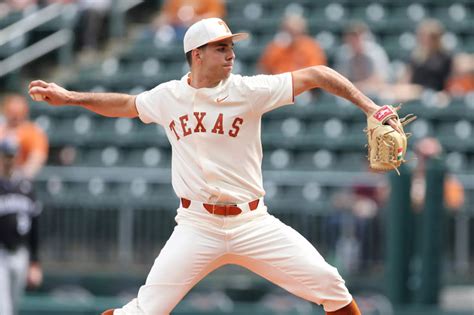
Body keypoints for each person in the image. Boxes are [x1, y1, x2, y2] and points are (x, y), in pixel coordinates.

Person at [29, 17, 401, 315]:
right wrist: (71, 97)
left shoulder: (248, 90)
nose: (230, 54)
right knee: (144, 311)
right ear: (197, 54)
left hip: (252, 222)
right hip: (197, 226)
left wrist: (372, 107)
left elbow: (318, 74)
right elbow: (125, 104)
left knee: (331, 285)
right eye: (221, 47)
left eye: (231, 47)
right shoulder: (168, 96)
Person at [0, 140, 43, 315]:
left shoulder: (27, 187)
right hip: (0, 252)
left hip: (21, 253)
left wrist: (35, 262)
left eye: (12, 156)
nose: (9, 160)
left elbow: (36, 227)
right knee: (4, 308)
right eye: (5, 156)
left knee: (14, 304)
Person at [334, 21, 390, 97]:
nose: (355, 40)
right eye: (351, 37)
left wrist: (359, 86)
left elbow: (380, 80)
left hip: (374, 89)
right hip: (352, 89)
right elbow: (341, 79)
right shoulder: (344, 53)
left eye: (358, 36)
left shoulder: (375, 52)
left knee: (383, 96)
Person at [0, 94, 49, 179]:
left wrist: (22, 176)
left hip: (20, 178)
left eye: (18, 113)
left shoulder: (32, 131)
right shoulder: (1, 129)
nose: (14, 116)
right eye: (12, 112)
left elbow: (37, 157)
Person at [258, 14, 327, 75]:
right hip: (279, 85)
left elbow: (316, 74)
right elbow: (264, 69)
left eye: (296, 31)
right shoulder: (275, 47)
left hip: (304, 86)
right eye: (289, 31)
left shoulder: (311, 47)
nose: (293, 35)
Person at [401, 19, 453, 93]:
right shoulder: (414, 56)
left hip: (435, 94)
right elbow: (406, 79)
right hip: (415, 92)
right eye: (422, 36)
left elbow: (449, 83)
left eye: (431, 37)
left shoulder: (445, 57)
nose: (425, 39)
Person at [153, 0, 226, 41]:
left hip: (201, 29)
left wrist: (195, 18)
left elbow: (217, 16)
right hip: (177, 30)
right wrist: (179, 18)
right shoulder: (174, 1)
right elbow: (165, 16)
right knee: (164, 32)